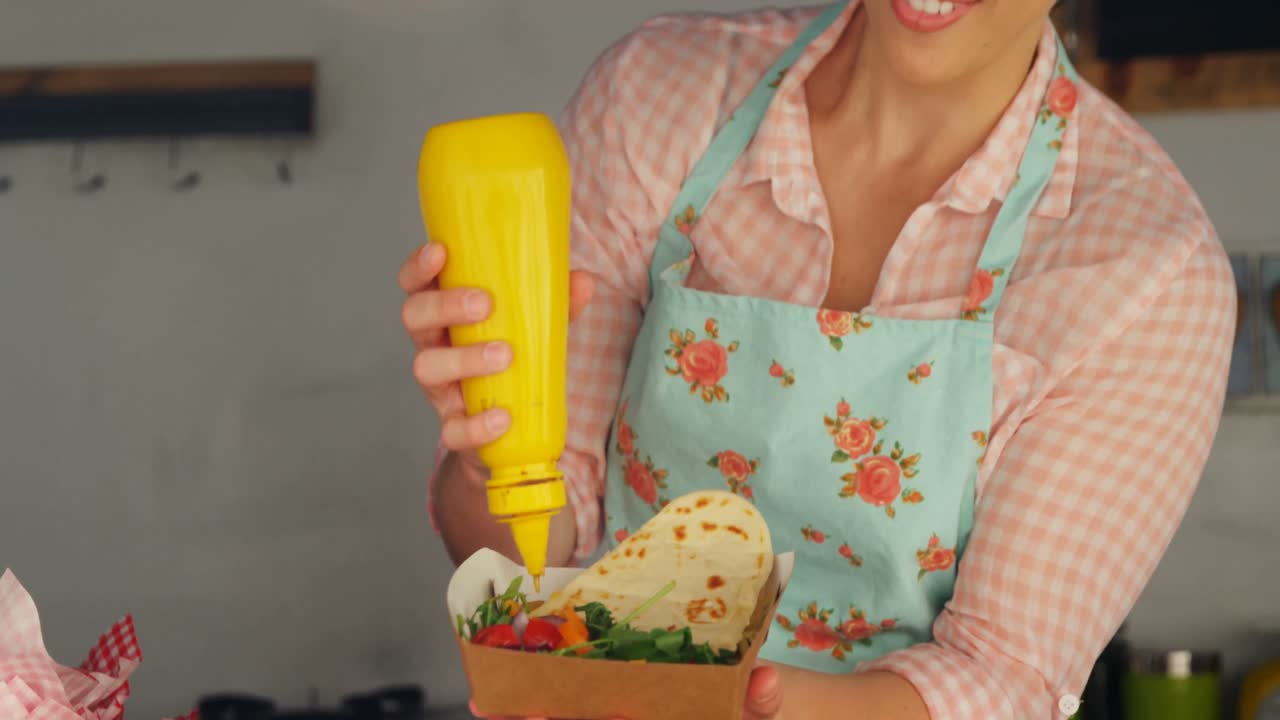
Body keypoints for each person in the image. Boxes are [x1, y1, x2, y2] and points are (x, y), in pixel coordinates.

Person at [399, 0, 1236, 717]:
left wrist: (732, 700)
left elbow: (1000, 679)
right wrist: (490, 464)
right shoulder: (656, 100)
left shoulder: (1144, 269)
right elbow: (539, 542)